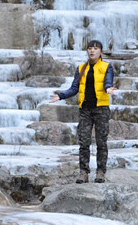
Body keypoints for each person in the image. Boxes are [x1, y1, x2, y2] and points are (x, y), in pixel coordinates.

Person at [49, 40, 116, 184]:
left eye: (95, 48)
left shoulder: (106, 66)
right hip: (85, 109)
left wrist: (108, 88)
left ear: (101, 52)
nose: (92, 51)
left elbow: (107, 82)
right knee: (84, 142)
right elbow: (74, 88)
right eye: (90, 48)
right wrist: (60, 95)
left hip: (101, 109)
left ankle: (100, 172)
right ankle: (83, 172)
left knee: (101, 142)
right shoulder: (81, 68)